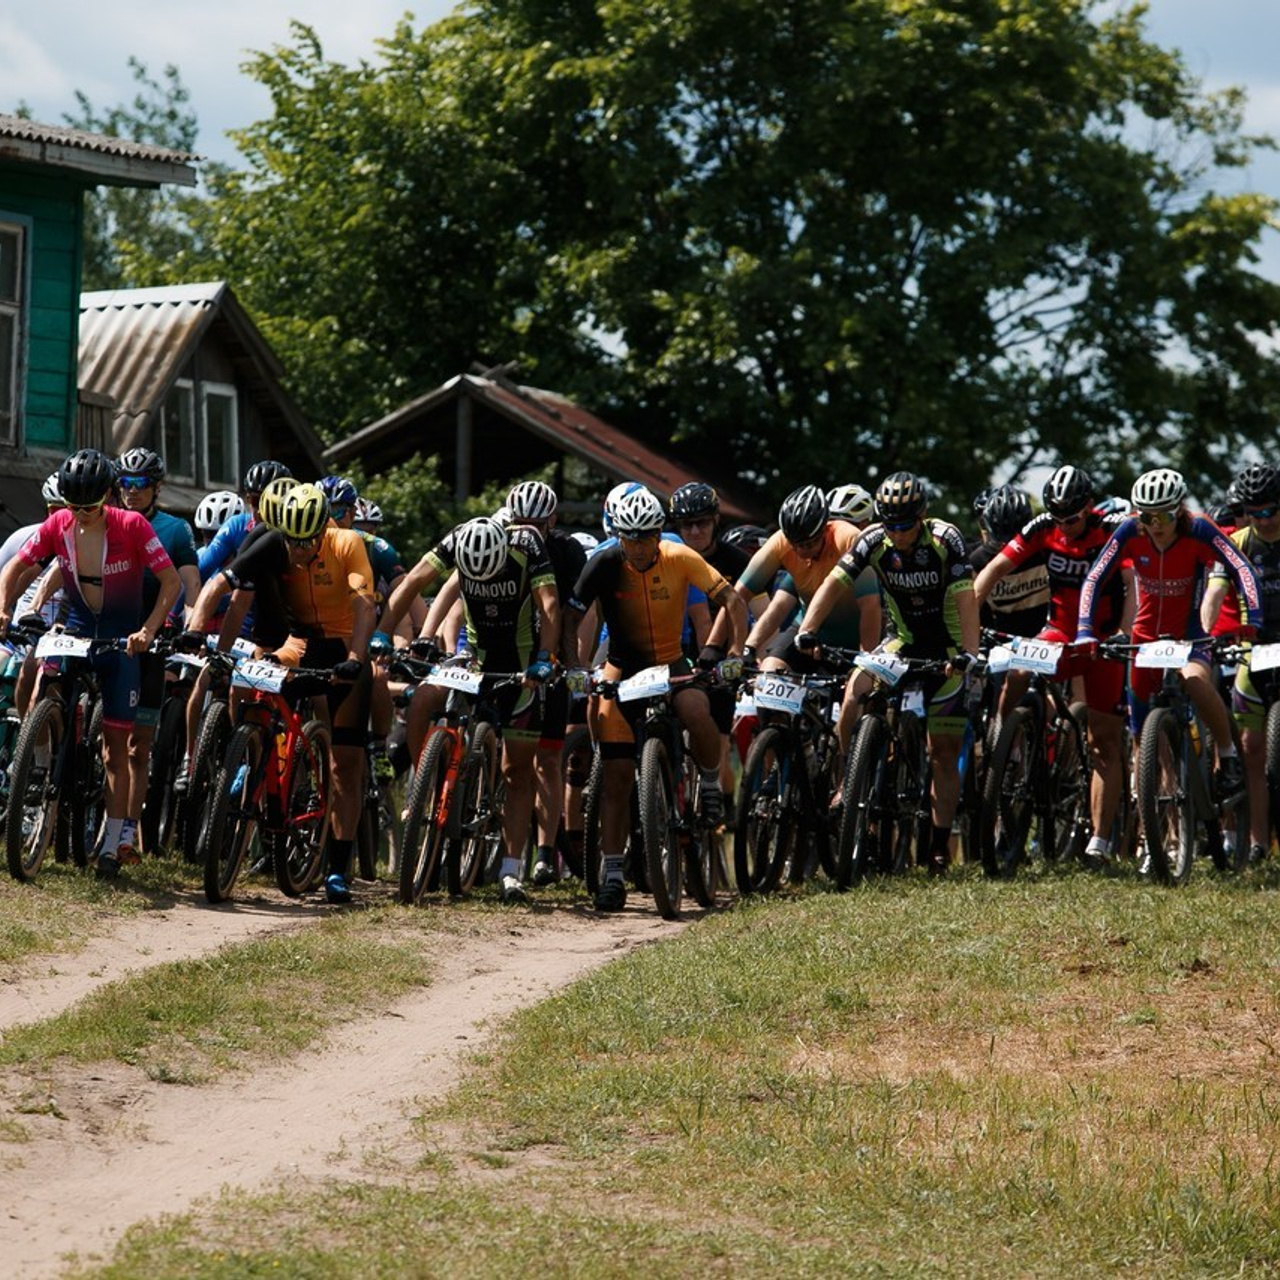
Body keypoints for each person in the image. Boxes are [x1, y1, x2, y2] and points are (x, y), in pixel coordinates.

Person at [186, 482, 377, 903]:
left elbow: (365, 604)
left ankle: (337, 868)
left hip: (344, 645)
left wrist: (358, 658)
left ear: (322, 531)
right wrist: (196, 632)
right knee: (255, 685)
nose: (299, 549)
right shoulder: (274, 542)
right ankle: (256, 762)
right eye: (292, 540)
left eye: (308, 541)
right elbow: (221, 586)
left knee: (346, 763)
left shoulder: (347, 543)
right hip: (299, 642)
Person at [563, 486, 748, 912]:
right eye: (631, 537)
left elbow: (732, 600)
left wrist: (735, 655)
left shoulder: (680, 556)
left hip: (671, 662)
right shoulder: (605, 562)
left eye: (648, 536)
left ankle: (707, 779)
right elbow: (573, 615)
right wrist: (575, 664)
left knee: (696, 708)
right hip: (621, 666)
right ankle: (612, 872)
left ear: (659, 533)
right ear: (619, 535)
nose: (641, 546)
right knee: (616, 774)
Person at [0, 448, 180, 879]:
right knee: (43, 682)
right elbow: (17, 568)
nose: (82, 515)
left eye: (91, 508)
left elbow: (172, 583)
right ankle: (39, 762)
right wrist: (6, 609)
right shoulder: (59, 523)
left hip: (121, 636)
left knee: (116, 751)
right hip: (77, 628)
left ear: (108, 499)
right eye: (75, 506)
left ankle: (113, 842)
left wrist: (148, 631)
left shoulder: (132, 526)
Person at [798, 471, 979, 874]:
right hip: (903, 640)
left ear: (922, 515)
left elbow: (967, 599)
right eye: (890, 524)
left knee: (944, 753)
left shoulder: (945, 539)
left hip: (948, 647)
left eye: (905, 525)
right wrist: (807, 629)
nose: (896, 533)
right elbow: (832, 582)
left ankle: (936, 846)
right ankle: (849, 780)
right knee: (855, 690)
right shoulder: (872, 539)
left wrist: (968, 653)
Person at [382, 513, 560, 904]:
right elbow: (413, 582)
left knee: (517, 771)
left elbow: (549, 605)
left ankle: (511, 871)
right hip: (474, 657)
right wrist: (385, 633)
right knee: (424, 697)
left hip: (520, 663)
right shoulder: (459, 541)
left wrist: (545, 658)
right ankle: (424, 784)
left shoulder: (528, 546)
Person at [1077, 467, 1262, 817]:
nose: (1155, 524)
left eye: (1163, 515)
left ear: (1179, 510)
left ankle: (1227, 753)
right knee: (1141, 742)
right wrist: (1085, 627)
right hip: (1144, 639)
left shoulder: (1200, 528)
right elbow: (1094, 577)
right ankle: (1154, 836)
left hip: (1190, 636)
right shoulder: (1130, 530)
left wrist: (1252, 618)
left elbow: (1242, 568)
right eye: (1146, 516)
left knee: (1193, 681)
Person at [974, 465, 1130, 864]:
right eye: (1059, 517)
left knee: (1104, 744)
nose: (1066, 525)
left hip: (1102, 640)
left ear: (1088, 507)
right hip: (1059, 633)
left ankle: (1099, 840)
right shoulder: (1043, 527)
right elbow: (993, 569)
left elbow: (1132, 586)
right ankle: (1005, 746)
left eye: (1072, 518)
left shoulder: (1111, 528)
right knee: (1019, 670)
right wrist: (966, 623)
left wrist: (1124, 635)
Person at [113, 447, 202, 855]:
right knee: (105, 739)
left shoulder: (174, 529)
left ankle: (129, 833)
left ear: (156, 488)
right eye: (126, 484)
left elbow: (188, 583)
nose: (132, 492)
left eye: (141, 485)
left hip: (152, 639)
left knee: (139, 745)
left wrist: (191, 622)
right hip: (111, 636)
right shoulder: (108, 523)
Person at [506, 479, 588, 885]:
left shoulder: (568, 551)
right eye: (521, 522)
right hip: (507, 657)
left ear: (552, 521)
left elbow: (572, 615)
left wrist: (572, 663)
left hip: (548, 659)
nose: (528, 531)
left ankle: (543, 852)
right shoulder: (496, 542)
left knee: (550, 759)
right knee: (511, 763)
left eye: (537, 524)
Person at [1201, 461, 1280, 862]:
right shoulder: (1237, 544)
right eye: (1254, 512)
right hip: (1257, 651)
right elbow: (1214, 593)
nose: (1263, 520)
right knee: (1251, 750)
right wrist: (1204, 632)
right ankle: (1257, 842)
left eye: (1271, 510)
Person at [733, 484, 881, 671]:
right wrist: (749, 648)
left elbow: (870, 607)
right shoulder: (793, 550)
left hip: (854, 639)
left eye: (855, 525)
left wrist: (865, 660)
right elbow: (778, 606)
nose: (802, 551)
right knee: (769, 670)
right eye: (797, 544)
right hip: (808, 635)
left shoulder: (851, 540)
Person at [968, 485, 1048, 638]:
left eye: (1017, 541)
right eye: (1001, 542)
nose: (1009, 549)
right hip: (1000, 641)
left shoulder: (1045, 551)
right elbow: (972, 611)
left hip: (1045, 636)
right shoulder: (977, 561)